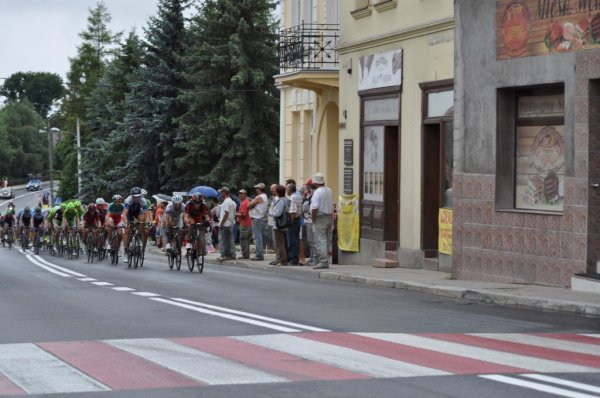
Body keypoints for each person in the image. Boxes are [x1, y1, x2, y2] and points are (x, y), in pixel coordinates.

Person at [310, 172, 334, 269]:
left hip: (320, 217)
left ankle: (323, 261)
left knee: (320, 240)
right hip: (329, 217)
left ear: (315, 183)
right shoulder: (329, 190)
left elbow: (314, 208)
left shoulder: (317, 192)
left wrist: (313, 219)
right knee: (326, 240)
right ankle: (326, 260)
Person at [122, 187, 150, 260]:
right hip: (129, 213)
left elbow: (147, 214)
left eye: (138, 196)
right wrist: (126, 224)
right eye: (134, 197)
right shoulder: (128, 200)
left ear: (140, 196)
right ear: (132, 196)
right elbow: (124, 213)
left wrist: (146, 224)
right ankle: (125, 251)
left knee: (142, 219)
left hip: (138, 212)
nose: (136, 198)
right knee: (127, 231)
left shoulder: (143, 200)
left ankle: (139, 236)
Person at [247, 182, 268, 261]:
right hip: (261, 218)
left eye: (256, 188)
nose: (256, 190)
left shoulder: (259, 197)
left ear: (259, 189)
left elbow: (248, 206)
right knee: (259, 237)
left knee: (257, 237)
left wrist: (252, 203)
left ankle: (259, 255)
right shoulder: (265, 196)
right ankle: (259, 254)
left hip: (256, 218)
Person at [269, 184, 288, 266]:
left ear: (278, 192)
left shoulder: (281, 201)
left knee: (280, 243)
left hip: (278, 224)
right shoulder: (286, 199)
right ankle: (282, 259)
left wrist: (270, 213)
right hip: (283, 223)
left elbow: (277, 213)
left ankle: (283, 260)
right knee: (281, 243)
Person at [217, 187, 236, 261]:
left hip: (225, 224)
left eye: (221, 192)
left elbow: (226, 213)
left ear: (225, 193)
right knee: (229, 240)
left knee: (224, 240)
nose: (221, 194)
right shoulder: (232, 202)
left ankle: (225, 255)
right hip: (230, 223)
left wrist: (221, 223)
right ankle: (231, 254)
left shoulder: (226, 202)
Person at [286, 182, 302, 265]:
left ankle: (293, 259)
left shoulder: (292, 198)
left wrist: (290, 223)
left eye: (287, 188)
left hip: (293, 220)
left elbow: (292, 211)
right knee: (296, 240)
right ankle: (296, 258)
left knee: (292, 241)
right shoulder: (298, 197)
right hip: (298, 219)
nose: (286, 190)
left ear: (290, 189)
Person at [236, 189, 252, 259]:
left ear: (245, 194)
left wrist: (235, 214)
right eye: (239, 194)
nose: (240, 195)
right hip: (247, 223)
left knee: (243, 239)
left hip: (245, 224)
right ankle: (246, 254)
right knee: (246, 239)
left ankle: (245, 255)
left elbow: (244, 214)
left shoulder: (244, 203)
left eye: (241, 194)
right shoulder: (245, 201)